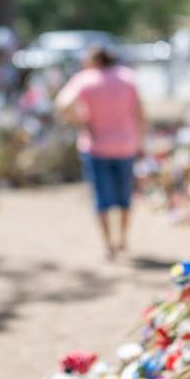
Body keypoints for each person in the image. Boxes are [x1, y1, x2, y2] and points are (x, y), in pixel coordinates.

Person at [55, 46, 144, 259]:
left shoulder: (86, 79)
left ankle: (108, 244)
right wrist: (140, 140)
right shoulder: (127, 77)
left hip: (96, 146)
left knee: (101, 198)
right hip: (126, 145)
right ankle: (123, 239)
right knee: (125, 196)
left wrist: (80, 120)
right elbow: (140, 112)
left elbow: (62, 103)